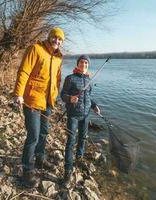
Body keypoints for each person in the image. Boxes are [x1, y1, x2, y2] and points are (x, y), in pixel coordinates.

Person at [13, 27, 65, 188]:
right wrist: (18, 94)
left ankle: (40, 158)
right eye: (55, 38)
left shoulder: (58, 58)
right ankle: (27, 169)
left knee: (44, 132)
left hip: (48, 102)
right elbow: (24, 71)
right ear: (49, 37)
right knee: (33, 135)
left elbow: (57, 80)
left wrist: (55, 98)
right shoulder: (35, 49)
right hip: (32, 100)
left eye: (60, 39)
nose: (57, 41)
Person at [61, 55, 101, 188]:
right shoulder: (70, 78)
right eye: (81, 62)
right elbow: (63, 95)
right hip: (73, 115)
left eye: (86, 63)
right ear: (77, 64)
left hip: (86, 115)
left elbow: (88, 97)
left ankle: (79, 158)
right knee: (71, 141)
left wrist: (94, 106)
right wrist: (70, 98)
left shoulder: (89, 79)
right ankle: (67, 170)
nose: (84, 65)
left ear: (88, 65)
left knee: (82, 138)